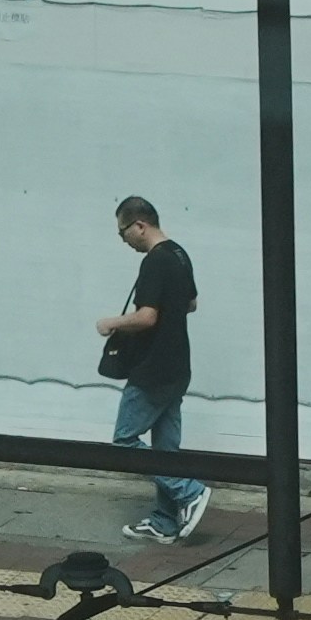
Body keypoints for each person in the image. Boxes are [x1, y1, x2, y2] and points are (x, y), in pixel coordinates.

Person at [100, 192, 208, 542]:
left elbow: (147, 316)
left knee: (124, 441)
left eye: (123, 232)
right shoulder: (179, 253)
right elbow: (190, 303)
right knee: (166, 450)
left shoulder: (154, 262)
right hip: (178, 365)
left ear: (140, 225)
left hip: (153, 368)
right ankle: (164, 521)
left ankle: (189, 491)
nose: (123, 240)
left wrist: (112, 323)